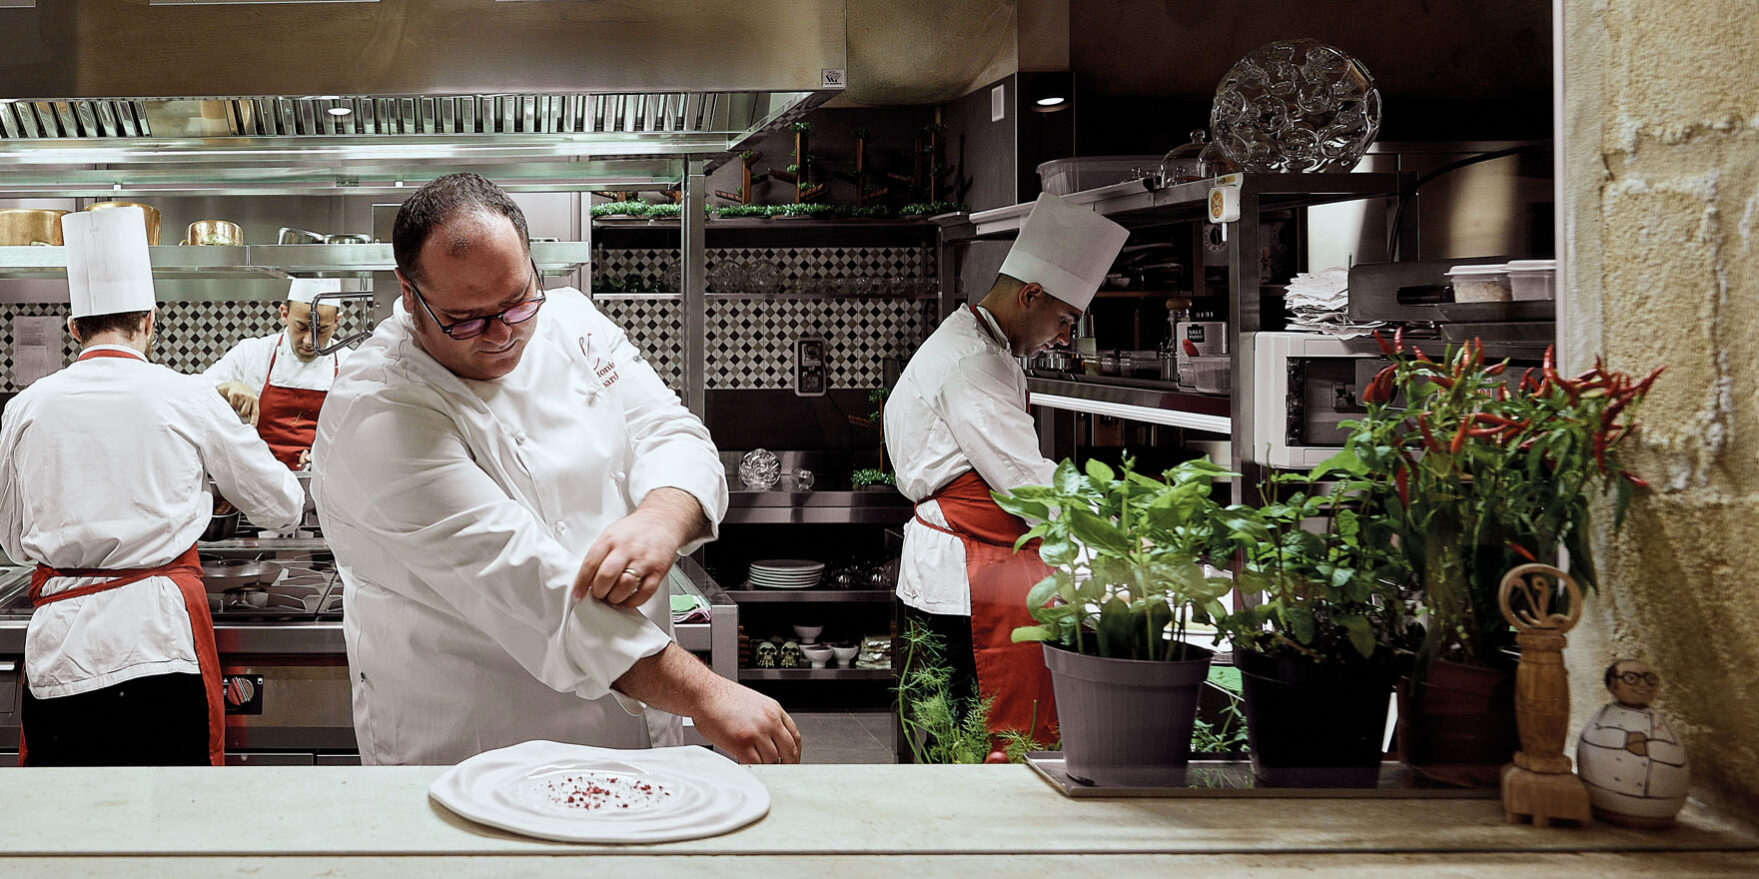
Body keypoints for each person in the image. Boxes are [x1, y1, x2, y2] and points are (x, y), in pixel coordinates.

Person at [311, 173, 800, 766]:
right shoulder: (379, 413)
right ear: (409, 294)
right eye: (465, 319)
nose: (502, 335)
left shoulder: (573, 322)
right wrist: (706, 694)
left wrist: (659, 521)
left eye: (517, 302)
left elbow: (669, 431)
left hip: (633, 725)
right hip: (476, 749)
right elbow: (540, 594)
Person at [0, 207, 303, 766]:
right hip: (161, 646)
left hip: (60, 655)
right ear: (150, 320)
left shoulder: (25, 407)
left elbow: (14, 545)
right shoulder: (188, 396)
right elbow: (283, 506)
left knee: (64, 834)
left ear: (74, 330)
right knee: (169, 832)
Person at [884, 192, 1128, 746]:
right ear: (1031, 294)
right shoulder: (972, 363)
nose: (1064, 337)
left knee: (950, 738)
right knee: (963, 743)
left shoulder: (982, 346)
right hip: (965, 579)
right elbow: (1026, 483)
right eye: (1064, 320)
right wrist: (1117, 525)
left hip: (967, 574)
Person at [206, 277, 352, 470]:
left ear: (336, 322)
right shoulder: (252, 354)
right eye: (301, 327)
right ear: (284, 314)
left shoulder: (350, 365)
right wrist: (226, 388)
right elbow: (192, 394)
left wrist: (329, 456)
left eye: (322, 330)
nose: (309, 341)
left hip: (321, 488)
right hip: (257, 482)